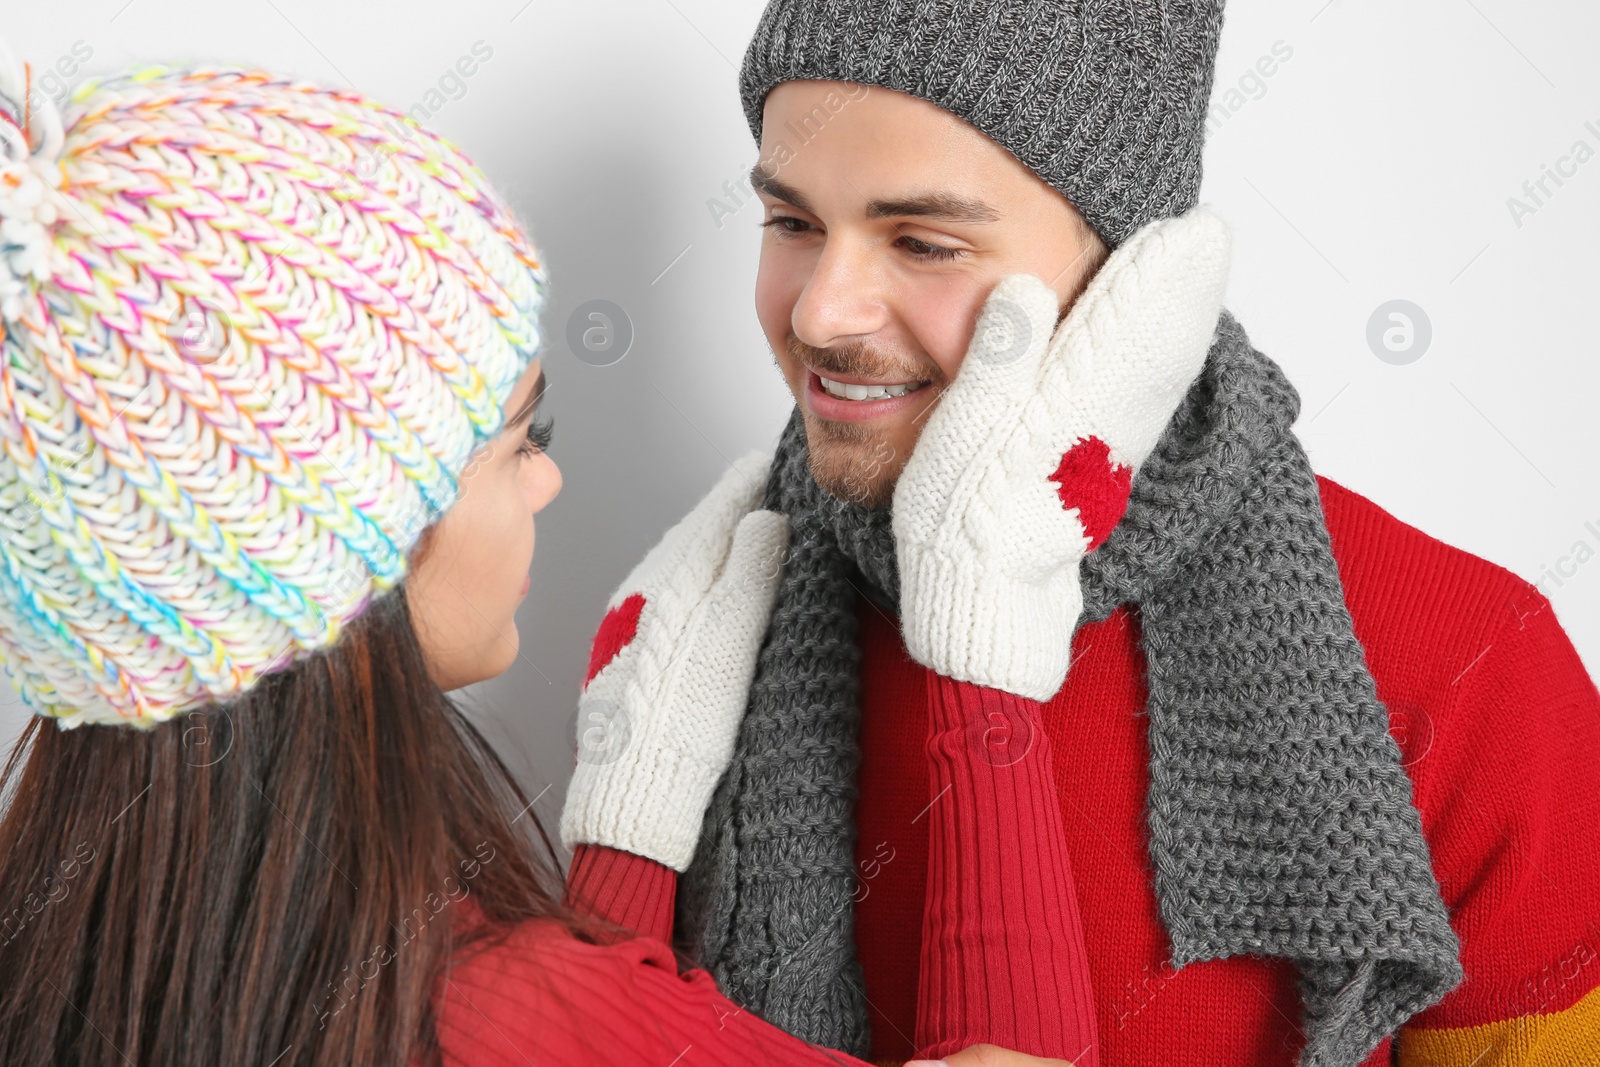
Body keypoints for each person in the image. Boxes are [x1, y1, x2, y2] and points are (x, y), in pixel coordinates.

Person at [0, 44, 1088, 1067]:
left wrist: (626, 834)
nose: (547, 480)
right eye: (522, 438)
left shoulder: (52, 933)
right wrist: (980, 645)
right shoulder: (486, 997)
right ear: (369, 535)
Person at [558, 1, 1600, 1065]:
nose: (822, 312)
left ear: (1138, 280)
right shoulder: (694, 620)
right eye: (791, 222)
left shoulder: (1467, 656)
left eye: (923, 241)